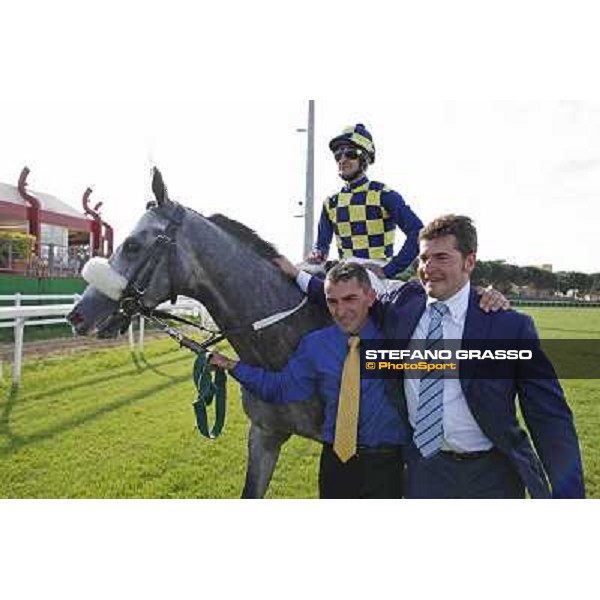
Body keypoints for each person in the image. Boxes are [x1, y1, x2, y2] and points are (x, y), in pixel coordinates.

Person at [278, 215, 585, 499]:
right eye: (424, 258)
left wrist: (569, 495)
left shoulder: (507, 325)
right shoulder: (403, 305)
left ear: (469, 261)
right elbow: (349, 300)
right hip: (423, 471)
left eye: (442, 257)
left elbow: (549, 417)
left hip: (492, 474)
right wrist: (297, 275)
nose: (429, 267)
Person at [209, 262, 409, 499]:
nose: (341, 311)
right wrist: (231, 365)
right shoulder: (315, 345)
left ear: (371, 296)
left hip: (384, 465)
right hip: (335, 464)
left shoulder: (395, 340)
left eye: (350, 299)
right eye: (332, 302)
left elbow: (448, 366)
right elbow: (281, 388)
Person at [306, 123, 423, 285]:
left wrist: (389, 269)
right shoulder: (330, 203)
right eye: (338, 154)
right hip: (344, 274)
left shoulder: (384, 194)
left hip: (377, 276)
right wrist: (317, 253)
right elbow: (321, 246)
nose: (342, 159)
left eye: (350, 153)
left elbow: (417, 231)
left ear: (365, 158)